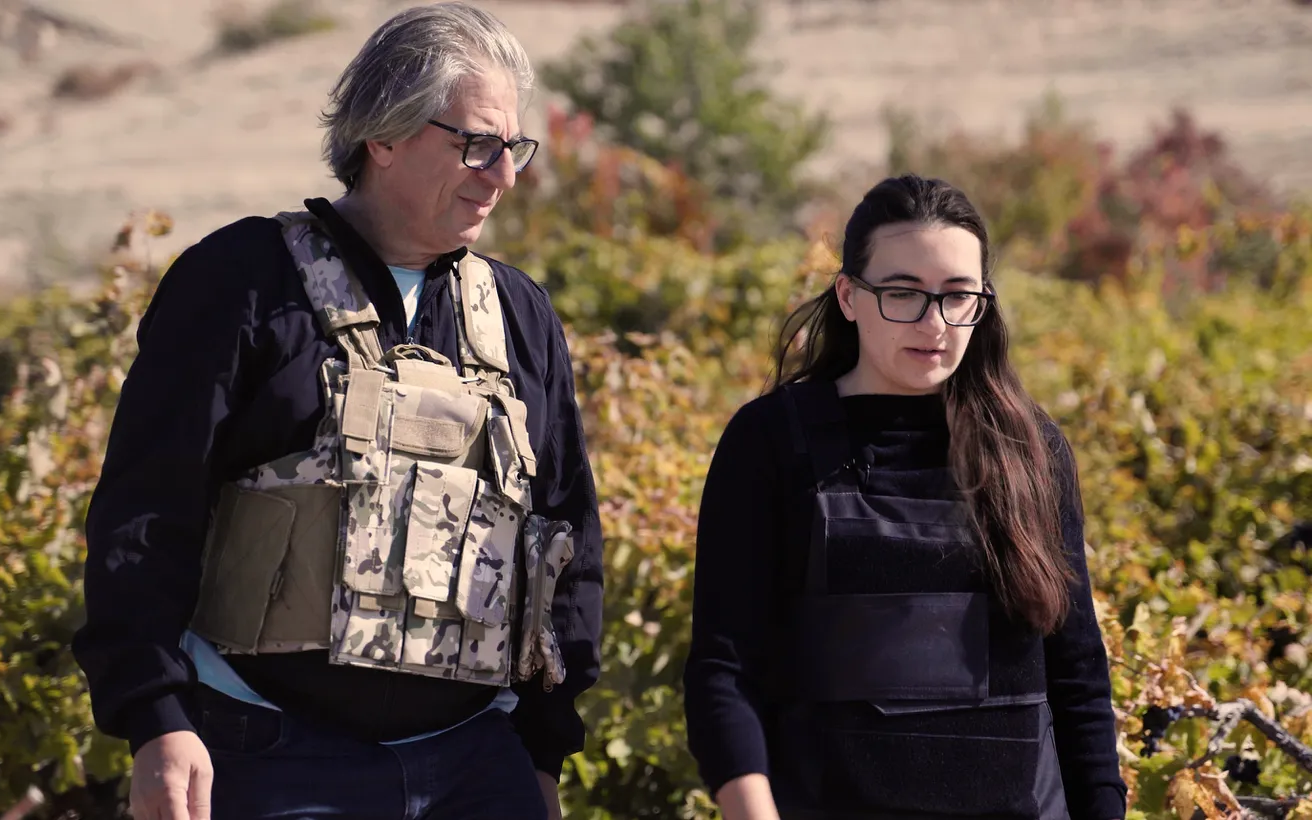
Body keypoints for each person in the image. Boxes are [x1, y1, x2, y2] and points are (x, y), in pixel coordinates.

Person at [70, 5, 604, 819]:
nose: (503, 174)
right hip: (270, 754)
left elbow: (567, 536)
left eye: (513, 148)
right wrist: (155, 715)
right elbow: (148, 512)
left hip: (475, 762)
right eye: (476, 144)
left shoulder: (520, 314)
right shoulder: (242, 282)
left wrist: (541, 747)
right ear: (381, 137)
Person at [682, 174, 1128, 820]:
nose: (934, 323)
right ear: (849, 296)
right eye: (903, 294)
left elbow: (1078, 675)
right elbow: (724, 667)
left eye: (957, 297)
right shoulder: (771, 440)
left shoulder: (1032, 449)